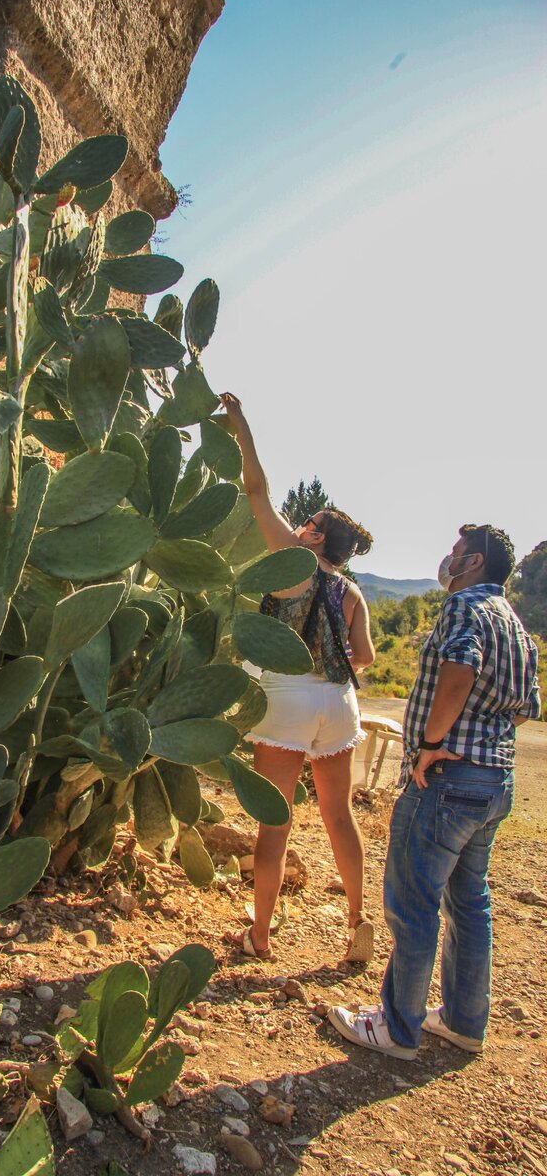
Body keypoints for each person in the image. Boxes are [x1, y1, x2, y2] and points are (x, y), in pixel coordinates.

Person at [328, 525, 541, 1060]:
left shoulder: (465, 608)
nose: (447, 560)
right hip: (495, 782)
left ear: (471, 563)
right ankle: (466, 1021)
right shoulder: (516, 625)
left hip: (445, 782)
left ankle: (398, 1028)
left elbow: (459, 669)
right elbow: (523, 707)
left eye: (454, 552)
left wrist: (431, 742)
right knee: (469, 902)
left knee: (413, 902)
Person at [220, 392, 376, 964]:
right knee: (339, 816)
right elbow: (364, 655)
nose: (300, 524)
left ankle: (260, 935)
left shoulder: (291, 559)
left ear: (313, 537)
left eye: (307, 522)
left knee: (275, 823)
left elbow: (256, 491)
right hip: (339, 705)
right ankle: (358, 927)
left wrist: (242, 427)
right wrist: (326, 671)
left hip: (285, 701)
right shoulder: (351, 589)